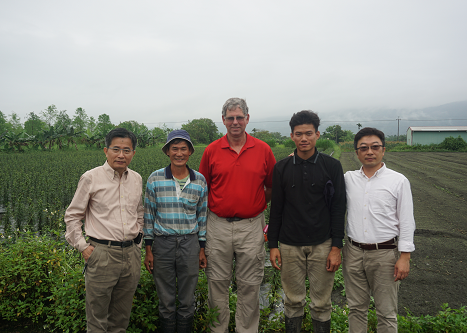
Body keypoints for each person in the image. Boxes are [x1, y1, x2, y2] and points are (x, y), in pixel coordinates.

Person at [199, 97, 276, 333]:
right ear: (223, 120)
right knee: (217, 283)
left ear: (247, 119)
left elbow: (272, 186)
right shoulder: (212, 150)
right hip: (218, 225)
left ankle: (247, 329)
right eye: (230, 118)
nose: (235, 122)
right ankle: (218, 329)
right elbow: (204, 188)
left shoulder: (263, 149)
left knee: (250, 283)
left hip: (251, 226)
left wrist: (254, 204)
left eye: (239, 117)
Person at [268, 110, 347, 333]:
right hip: (289, 245)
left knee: (322, 303)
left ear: (317, 135)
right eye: (299, 134)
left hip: (322, 244)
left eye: (309, 133)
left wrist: (336, 247)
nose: (304, 138)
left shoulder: (331, 166)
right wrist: (273, 245)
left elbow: (338, 207)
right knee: (293, 301)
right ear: (292, 136)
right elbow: (276, 210)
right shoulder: (281, 168)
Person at [64, 127, 144, 333]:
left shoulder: (136, 178)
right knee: (97, 319)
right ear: (105, 151)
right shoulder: (91, 178)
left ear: (133, 153)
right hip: (102, 254)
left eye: (127, 150)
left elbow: (140, 213)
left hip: (131, 255)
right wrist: (83, 247)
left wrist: (140, 241)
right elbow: (72, 216)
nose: (121, 155)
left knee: (121, 318)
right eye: (115, 149)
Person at [343, 127, 415, 333]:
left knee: (386, 312)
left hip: (385, 254)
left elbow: (407, 221)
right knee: (356, 308)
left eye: (375, 147)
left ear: (384, 150)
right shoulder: (348, 179)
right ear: (356, 152)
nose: (369, 152)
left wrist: (405, 256)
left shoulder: (398, 181)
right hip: (353, 252)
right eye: (363, 148)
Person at [143, 130, 208, 333]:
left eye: (183, 149)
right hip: (163, 243)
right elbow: (149, 216)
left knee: (187, 298)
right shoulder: (155, 179)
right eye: (174, 149)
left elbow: (202, 217)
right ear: (167, 152)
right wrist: (148, 249)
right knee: (166, 298)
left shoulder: (200, 181)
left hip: (190, 243)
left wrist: (202, 248)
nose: (179, 153)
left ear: (190, 152)